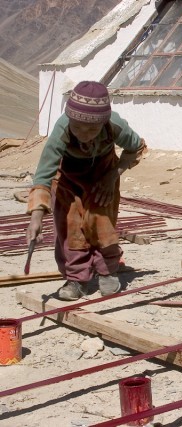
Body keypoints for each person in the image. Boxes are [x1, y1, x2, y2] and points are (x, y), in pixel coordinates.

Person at [26, 81, 147, 301]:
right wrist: (36, 218)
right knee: (70, 227)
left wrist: (112, 177)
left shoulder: (114, 125)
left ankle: (107, 271)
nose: (84, 134)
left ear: (103, 123)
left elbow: (136, 147)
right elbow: (43, 175)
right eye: (78, 127)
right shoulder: (62, 130)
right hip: (68, 179)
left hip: (104, 176)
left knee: (102, 224)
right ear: (70, 119)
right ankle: (77, 279)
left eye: (92, 129)